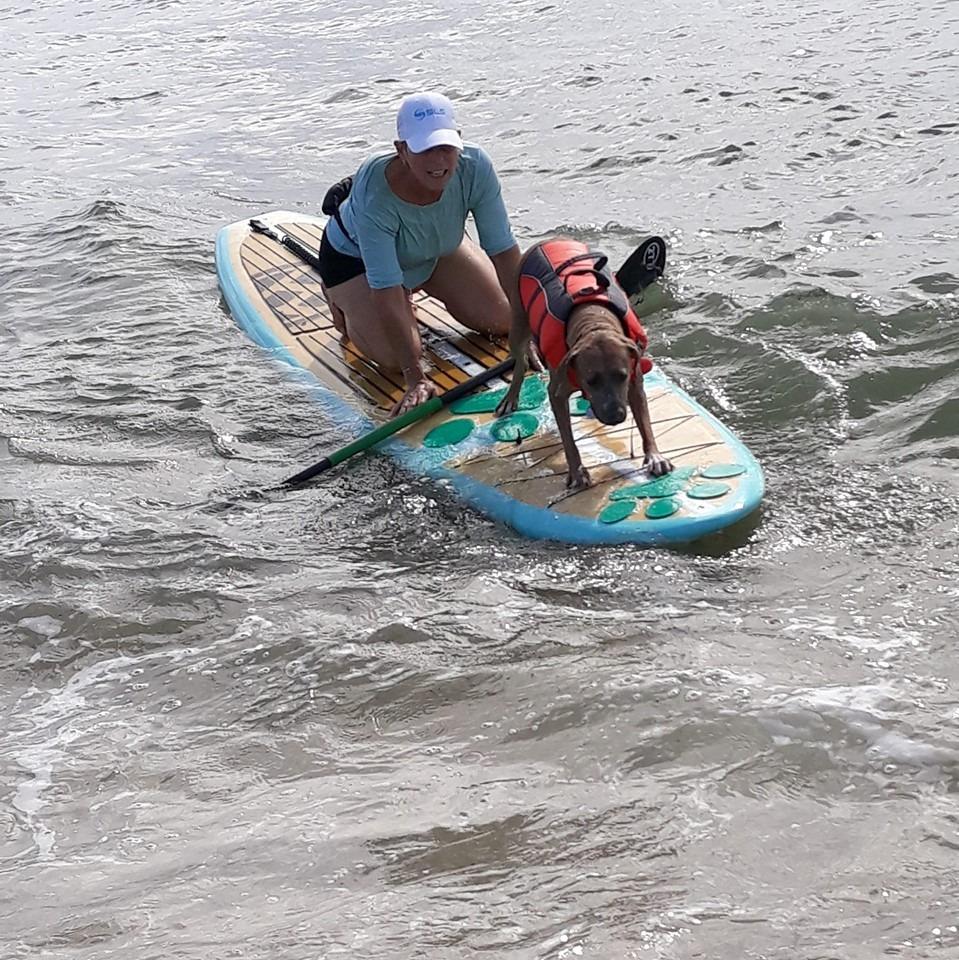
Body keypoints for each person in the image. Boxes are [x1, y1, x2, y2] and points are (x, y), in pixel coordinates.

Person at [317, 92, 522, 415]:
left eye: (446, 148)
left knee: (505, 318)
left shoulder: (476, 166)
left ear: (459, 141)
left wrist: (529, 331)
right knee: (394, 358)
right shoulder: (377, 194)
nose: (439, 162)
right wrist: (416, 378)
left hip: (432, 248)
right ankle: (340, 299)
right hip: (354, 259)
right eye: (425, 150)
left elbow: (505, 252)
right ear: (402, 150)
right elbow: (385, 291)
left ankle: (417, 285)